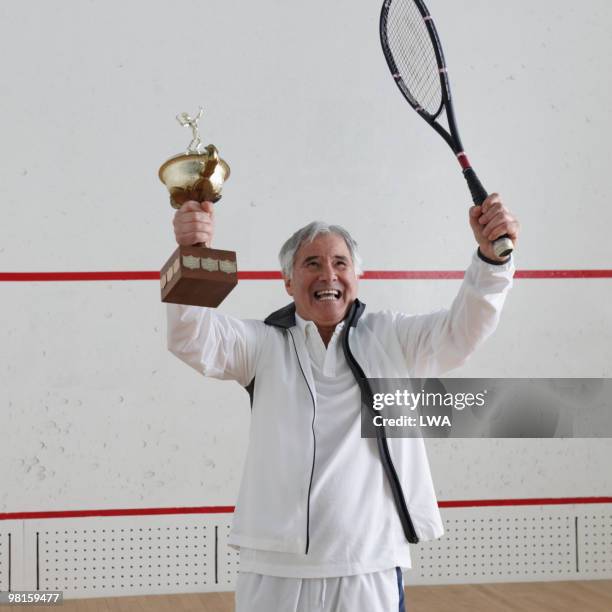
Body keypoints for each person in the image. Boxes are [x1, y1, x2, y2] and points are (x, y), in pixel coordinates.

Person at [167, 196, 519, 611]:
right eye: (311, 263)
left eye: (339, 262)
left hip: (368, 564)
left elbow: (463, 331)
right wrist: (192, 254)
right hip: (274, 567)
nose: (327, 273)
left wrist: (491, 263)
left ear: (356, 276)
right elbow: (190, 338)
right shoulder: (261, 343)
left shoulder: (393, 337)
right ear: (288, 281)